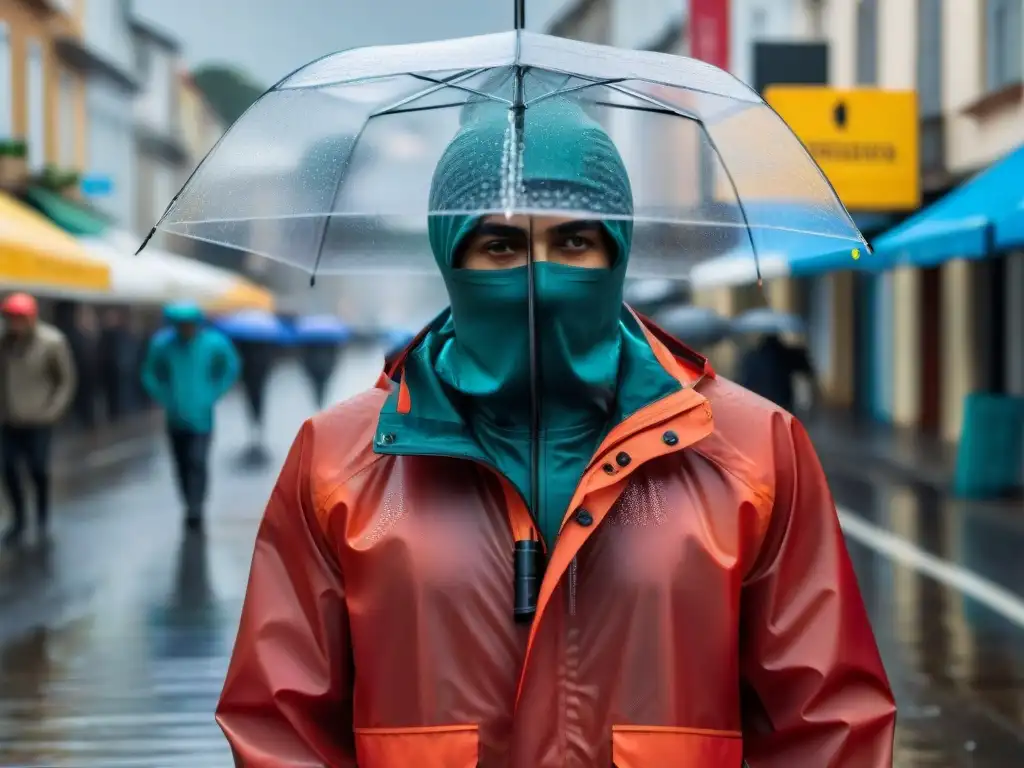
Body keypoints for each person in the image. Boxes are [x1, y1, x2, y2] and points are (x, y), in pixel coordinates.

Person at [216, 101, 895, 766]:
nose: (538, 275)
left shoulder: (752, 450)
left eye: (573, 240)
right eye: (500, 244)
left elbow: (827, 726)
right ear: (451, 255)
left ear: (617, 248)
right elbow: (284, 727)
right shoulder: (341, 460)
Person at [141, 302, 240, 531]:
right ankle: (188, 501)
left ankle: (197, 505)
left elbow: (230, 366)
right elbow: (149, 372)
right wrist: (163, 395)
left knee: (198, 460)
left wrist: (214, 391)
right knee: (182, 462)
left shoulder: (212, 343)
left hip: (202, 418)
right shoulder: (163, 345)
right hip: (175, 417)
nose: (186, 329)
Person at [0, 293, 76, 546]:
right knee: (8, 469)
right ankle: (19, 519)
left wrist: (53, 411)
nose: (15, 325)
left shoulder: (52, 342)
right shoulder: (4, 343)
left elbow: (65, 381)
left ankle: (42, 516)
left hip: (39, 419)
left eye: (19, 319)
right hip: (10, 419)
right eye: (11, 319)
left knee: (38, 468)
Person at [738, 332, 818, 414]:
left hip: (759, 401)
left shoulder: (751, 356)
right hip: (782, 402)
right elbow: (806, 369)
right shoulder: (786, 354)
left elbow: (745, 381)